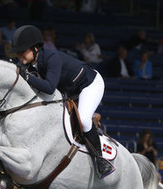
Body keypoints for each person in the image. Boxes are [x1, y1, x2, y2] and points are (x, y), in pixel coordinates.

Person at [12, 24, 114, 178]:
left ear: (35, 48)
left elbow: (49, 88)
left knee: (84, 119)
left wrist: (26, 77)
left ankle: (101, 160)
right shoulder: (30, 63)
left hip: (89, 84)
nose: (19, 56)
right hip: (69, 90)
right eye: (17, 53)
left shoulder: (52, 58)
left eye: (22, 52)